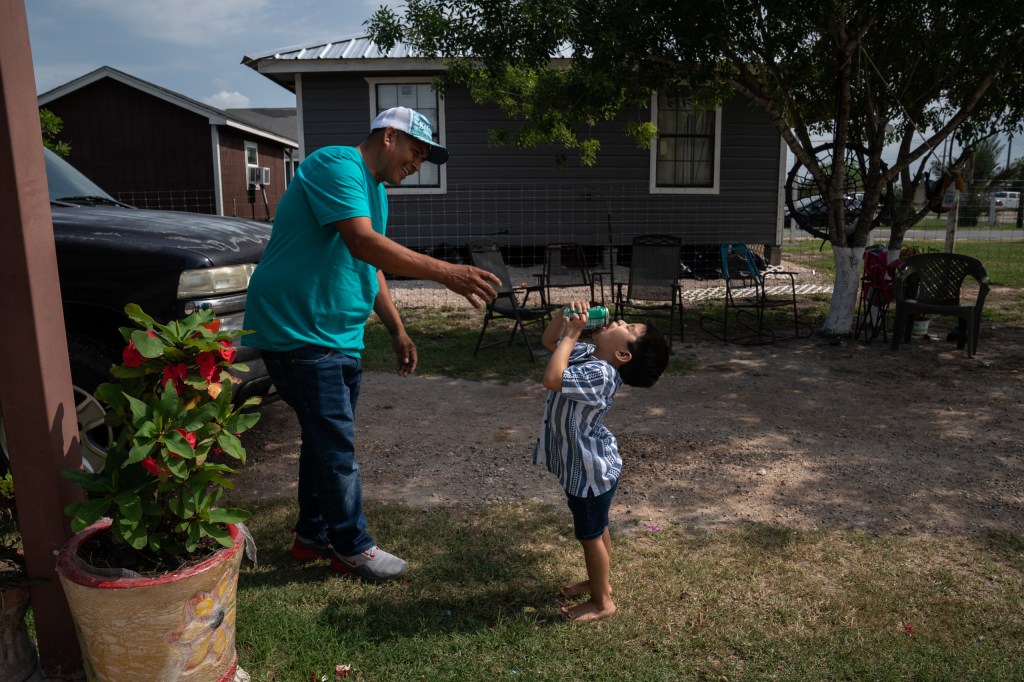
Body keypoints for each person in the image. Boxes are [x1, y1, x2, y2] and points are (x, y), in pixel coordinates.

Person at [243, 106, 500, 583]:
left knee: (324, 443)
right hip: (298, 330)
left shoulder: (375, 191)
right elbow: (363, 243)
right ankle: (352, 546)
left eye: (425, 157)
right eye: (415, 151)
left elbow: (369, 263)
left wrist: (396, 329)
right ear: (387, 137)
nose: (417, 163)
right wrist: (448, 272)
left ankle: (312, 536)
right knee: (336, 446)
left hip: (337, 334)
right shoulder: (336, 164)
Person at [534, 301, 669, 620]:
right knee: (597, 526)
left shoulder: (603, 374)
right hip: (587, 468)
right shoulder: (590, 355)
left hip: (589, 470)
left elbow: (552, 378)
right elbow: (549, 343)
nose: (620, 320)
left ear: (623, 355)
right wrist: (564, 318)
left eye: (630, 328)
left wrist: (572, 334)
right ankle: (599, 582)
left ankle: (602, 602)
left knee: (589, 534)